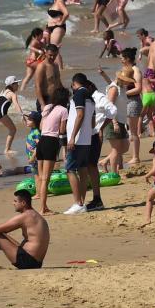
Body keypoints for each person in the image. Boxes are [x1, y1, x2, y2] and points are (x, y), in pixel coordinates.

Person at [62, 73, 96, 215]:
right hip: (86, 138)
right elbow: (92, 121)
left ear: (74, 83)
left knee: (70, 170)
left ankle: (78, 203)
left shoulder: (78, 95)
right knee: (82, 170)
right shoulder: (91, 98)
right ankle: (81, 203)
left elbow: (80, 115)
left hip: (77, 139)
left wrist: (72, 137)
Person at [34, 87, 69, 214]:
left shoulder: (48, 107)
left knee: (41, 176)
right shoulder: (64, 110)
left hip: (42, 140)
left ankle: (42, 206)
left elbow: (41, 126)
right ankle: (43, 208)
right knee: (46, 179)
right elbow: (62, 130)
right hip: (51, 141)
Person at [0, 76, 24, 154]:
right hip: (1, 113)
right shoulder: (12, 94)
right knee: (13, 129)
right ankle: (7, 149)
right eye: (16, 83)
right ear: (12, 85)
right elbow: (16, 105)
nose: (18, 85)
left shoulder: (3, 91)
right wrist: (22, 114)